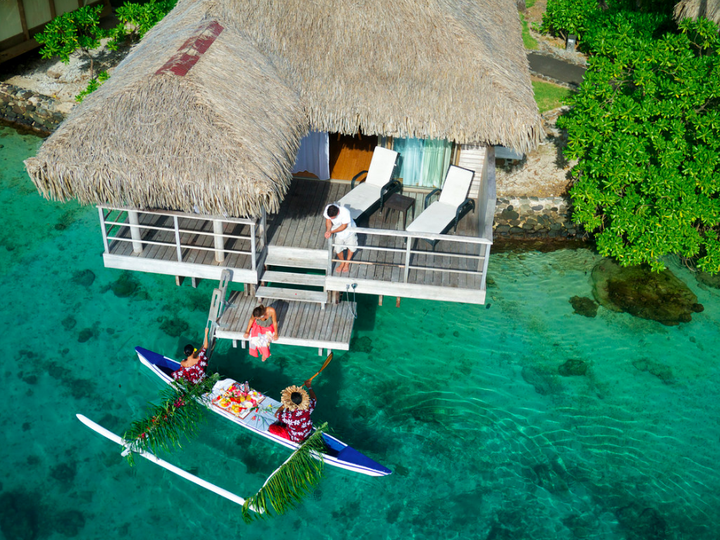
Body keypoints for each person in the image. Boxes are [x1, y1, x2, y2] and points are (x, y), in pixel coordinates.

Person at [323, 203, 357, 273]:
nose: (332, 219)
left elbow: (344, 226)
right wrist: (328, 230)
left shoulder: (345, 212)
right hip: (338, 232)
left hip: (350, 231)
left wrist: (331, 232)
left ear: (338, 212)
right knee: (338, 249)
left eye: (333, 218)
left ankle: (347, 263)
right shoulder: (328, 208)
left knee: (351, 248)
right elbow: (328, 220)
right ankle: (342, 262)